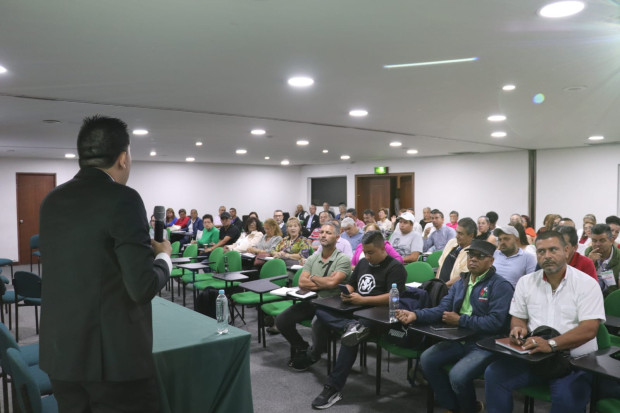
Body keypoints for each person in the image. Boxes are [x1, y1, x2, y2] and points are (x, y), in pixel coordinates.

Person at [39, 115, 172, 412]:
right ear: (123, 158)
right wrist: (164, 257)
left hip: (61, 354)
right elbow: (142, 287)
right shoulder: (123, 199)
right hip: (112, 362)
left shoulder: (52, 201)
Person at [485, 231, 605, 413]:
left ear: (566, 251)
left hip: (573, 362)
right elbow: (518, 317)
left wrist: (552, 344)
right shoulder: (526, 282)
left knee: (567, 399)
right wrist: (518, 328)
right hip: (535, 357)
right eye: (541, 252)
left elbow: (589, 330)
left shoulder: (586, 284)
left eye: (553, 250)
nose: (547, 256)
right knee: (494, 374)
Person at [396, 239, 513, 413]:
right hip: (459, 338)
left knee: (457, 376)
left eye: (480, 256)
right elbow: (441, 309)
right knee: (427, 359)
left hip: (485, 343)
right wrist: (416, 314)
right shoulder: (461, 282)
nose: (473, 259)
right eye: (471, 255)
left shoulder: (500, 286)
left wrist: (461, 320)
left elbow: (496, 322)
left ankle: (468, 409)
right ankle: (456, 407)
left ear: (491, 261)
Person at [304, 231, 407, 409]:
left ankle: (333, 387)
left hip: (376, 314)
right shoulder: (363, 263)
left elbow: (392, 297)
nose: (367, 256)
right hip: (355, 309)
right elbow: (352, 282)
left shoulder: (395, 267)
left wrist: (363, 300)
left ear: (383, 248)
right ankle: (351, 327)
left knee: (350, 340)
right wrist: (347, 291)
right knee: (320, 308)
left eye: (371, 253)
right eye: (365, 252)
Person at [276, 222, 352, 367]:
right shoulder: (312, 258)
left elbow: (332, 284)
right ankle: (302, 346)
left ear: (337, 237)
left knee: (316, 323)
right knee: (281, 320)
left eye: (328, 233)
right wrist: (324, 281)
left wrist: (313, 278)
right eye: (322, 232)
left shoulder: (343, 259)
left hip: (333, 303)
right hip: (313, 300)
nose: (323, 235)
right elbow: (302, 283)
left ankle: (313, 355)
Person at [436, 217, 477, 287]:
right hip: (440, 286)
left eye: (460, 234)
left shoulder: (474, 253)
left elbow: (463, 277)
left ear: (471, 236)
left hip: (454, 289)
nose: (457, 236)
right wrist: (436, 283)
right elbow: (441, 265)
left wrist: (444, 286)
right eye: (457, 232)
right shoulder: (452, 242)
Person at [585, 223, 620, 296]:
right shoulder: (588, 252)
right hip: (591, 296)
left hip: (612, 298)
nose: (598, 244)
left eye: (602, 240)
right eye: (594, 240)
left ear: (611, 241)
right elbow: (582, 281)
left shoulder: (618, 256)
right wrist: (589, 263)